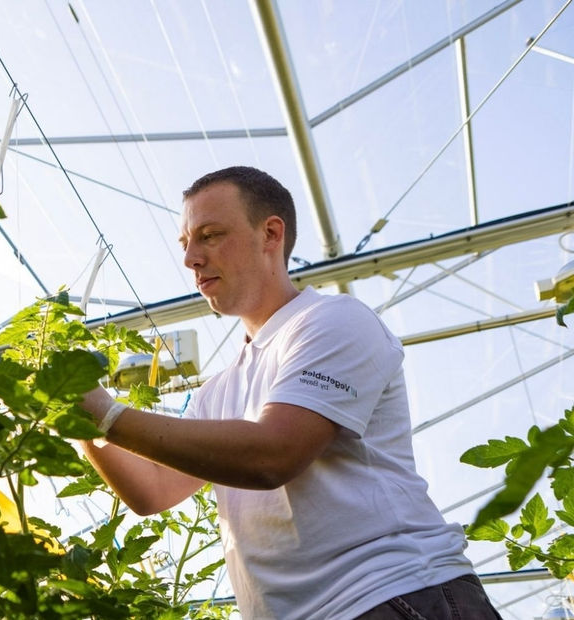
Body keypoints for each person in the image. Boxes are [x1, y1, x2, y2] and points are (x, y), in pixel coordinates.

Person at [78, 166, 500, 619]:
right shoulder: (216, 392)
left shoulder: (333, 321)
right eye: (185, 244)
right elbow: (151, 491)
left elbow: (274, 454)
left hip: (392, 596)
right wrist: (73, 411)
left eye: (210, 235)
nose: (191, 259)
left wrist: (106, 413)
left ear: (271, 234)